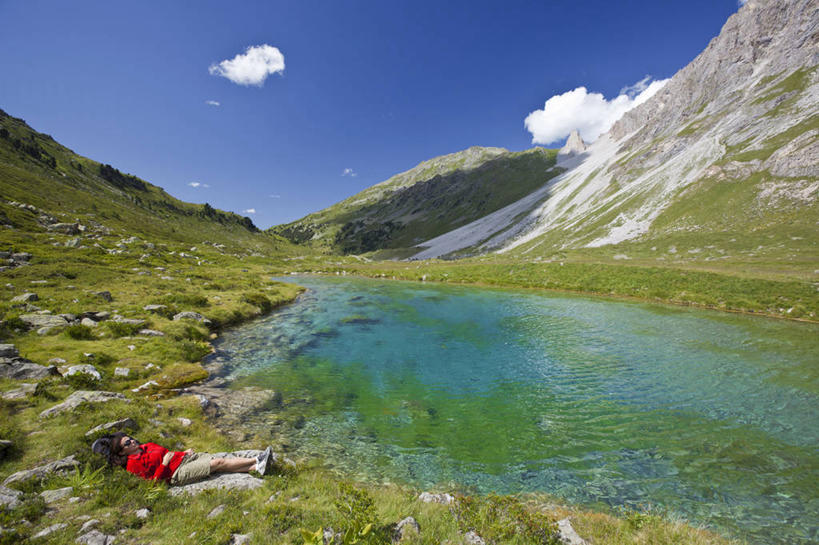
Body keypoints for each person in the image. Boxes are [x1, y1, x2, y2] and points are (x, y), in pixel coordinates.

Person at [91, 432, 272, 485]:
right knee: (218, 463)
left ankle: (257, 468)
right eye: (127, 443)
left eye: (129, 438)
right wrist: (164, 464)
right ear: (122, 452)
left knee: (220, 462)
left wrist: (183, 453)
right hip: (175, 474)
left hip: (183, 460)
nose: (132, 441)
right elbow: (154, 481)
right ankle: (257, 460)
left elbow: (167, 452)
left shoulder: (146, 446)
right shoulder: (132, 464)